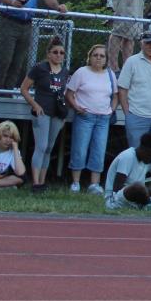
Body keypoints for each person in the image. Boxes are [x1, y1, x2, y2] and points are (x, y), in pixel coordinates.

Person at [65, 45, 118, 194]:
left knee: (99, 151)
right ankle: (76, 182)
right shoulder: (81, 72)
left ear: (106, 59)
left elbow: (115, 95)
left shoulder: (110, 74)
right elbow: (69, 93)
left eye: (102, 56)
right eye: (95, 55)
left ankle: (94, 184)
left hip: (103, 119)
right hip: (84, 117)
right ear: (90, 57)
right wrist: (76, 107)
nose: (98, 58)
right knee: (80, 149)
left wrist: (111, 110)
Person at [20, 37, 69, 192]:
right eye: (55, 52)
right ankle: (35, 182)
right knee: (41, 146)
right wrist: (35, 104)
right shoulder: (40, 68)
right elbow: (24, 89)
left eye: (61, 53)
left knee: (49, 147)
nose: (58, 55)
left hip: (57, 113)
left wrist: (64, 113)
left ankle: (42, 181)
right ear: (48, 54)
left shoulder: (65, 71)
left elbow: (64, 92)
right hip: (42, 111)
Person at [103, 131, 151, 211]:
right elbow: (117, 188)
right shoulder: (127, 157)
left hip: (140, 197)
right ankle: (149, 206)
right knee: (138, 187)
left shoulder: (149, 158)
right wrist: (149, 191)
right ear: (145, 149)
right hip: (117, 200)